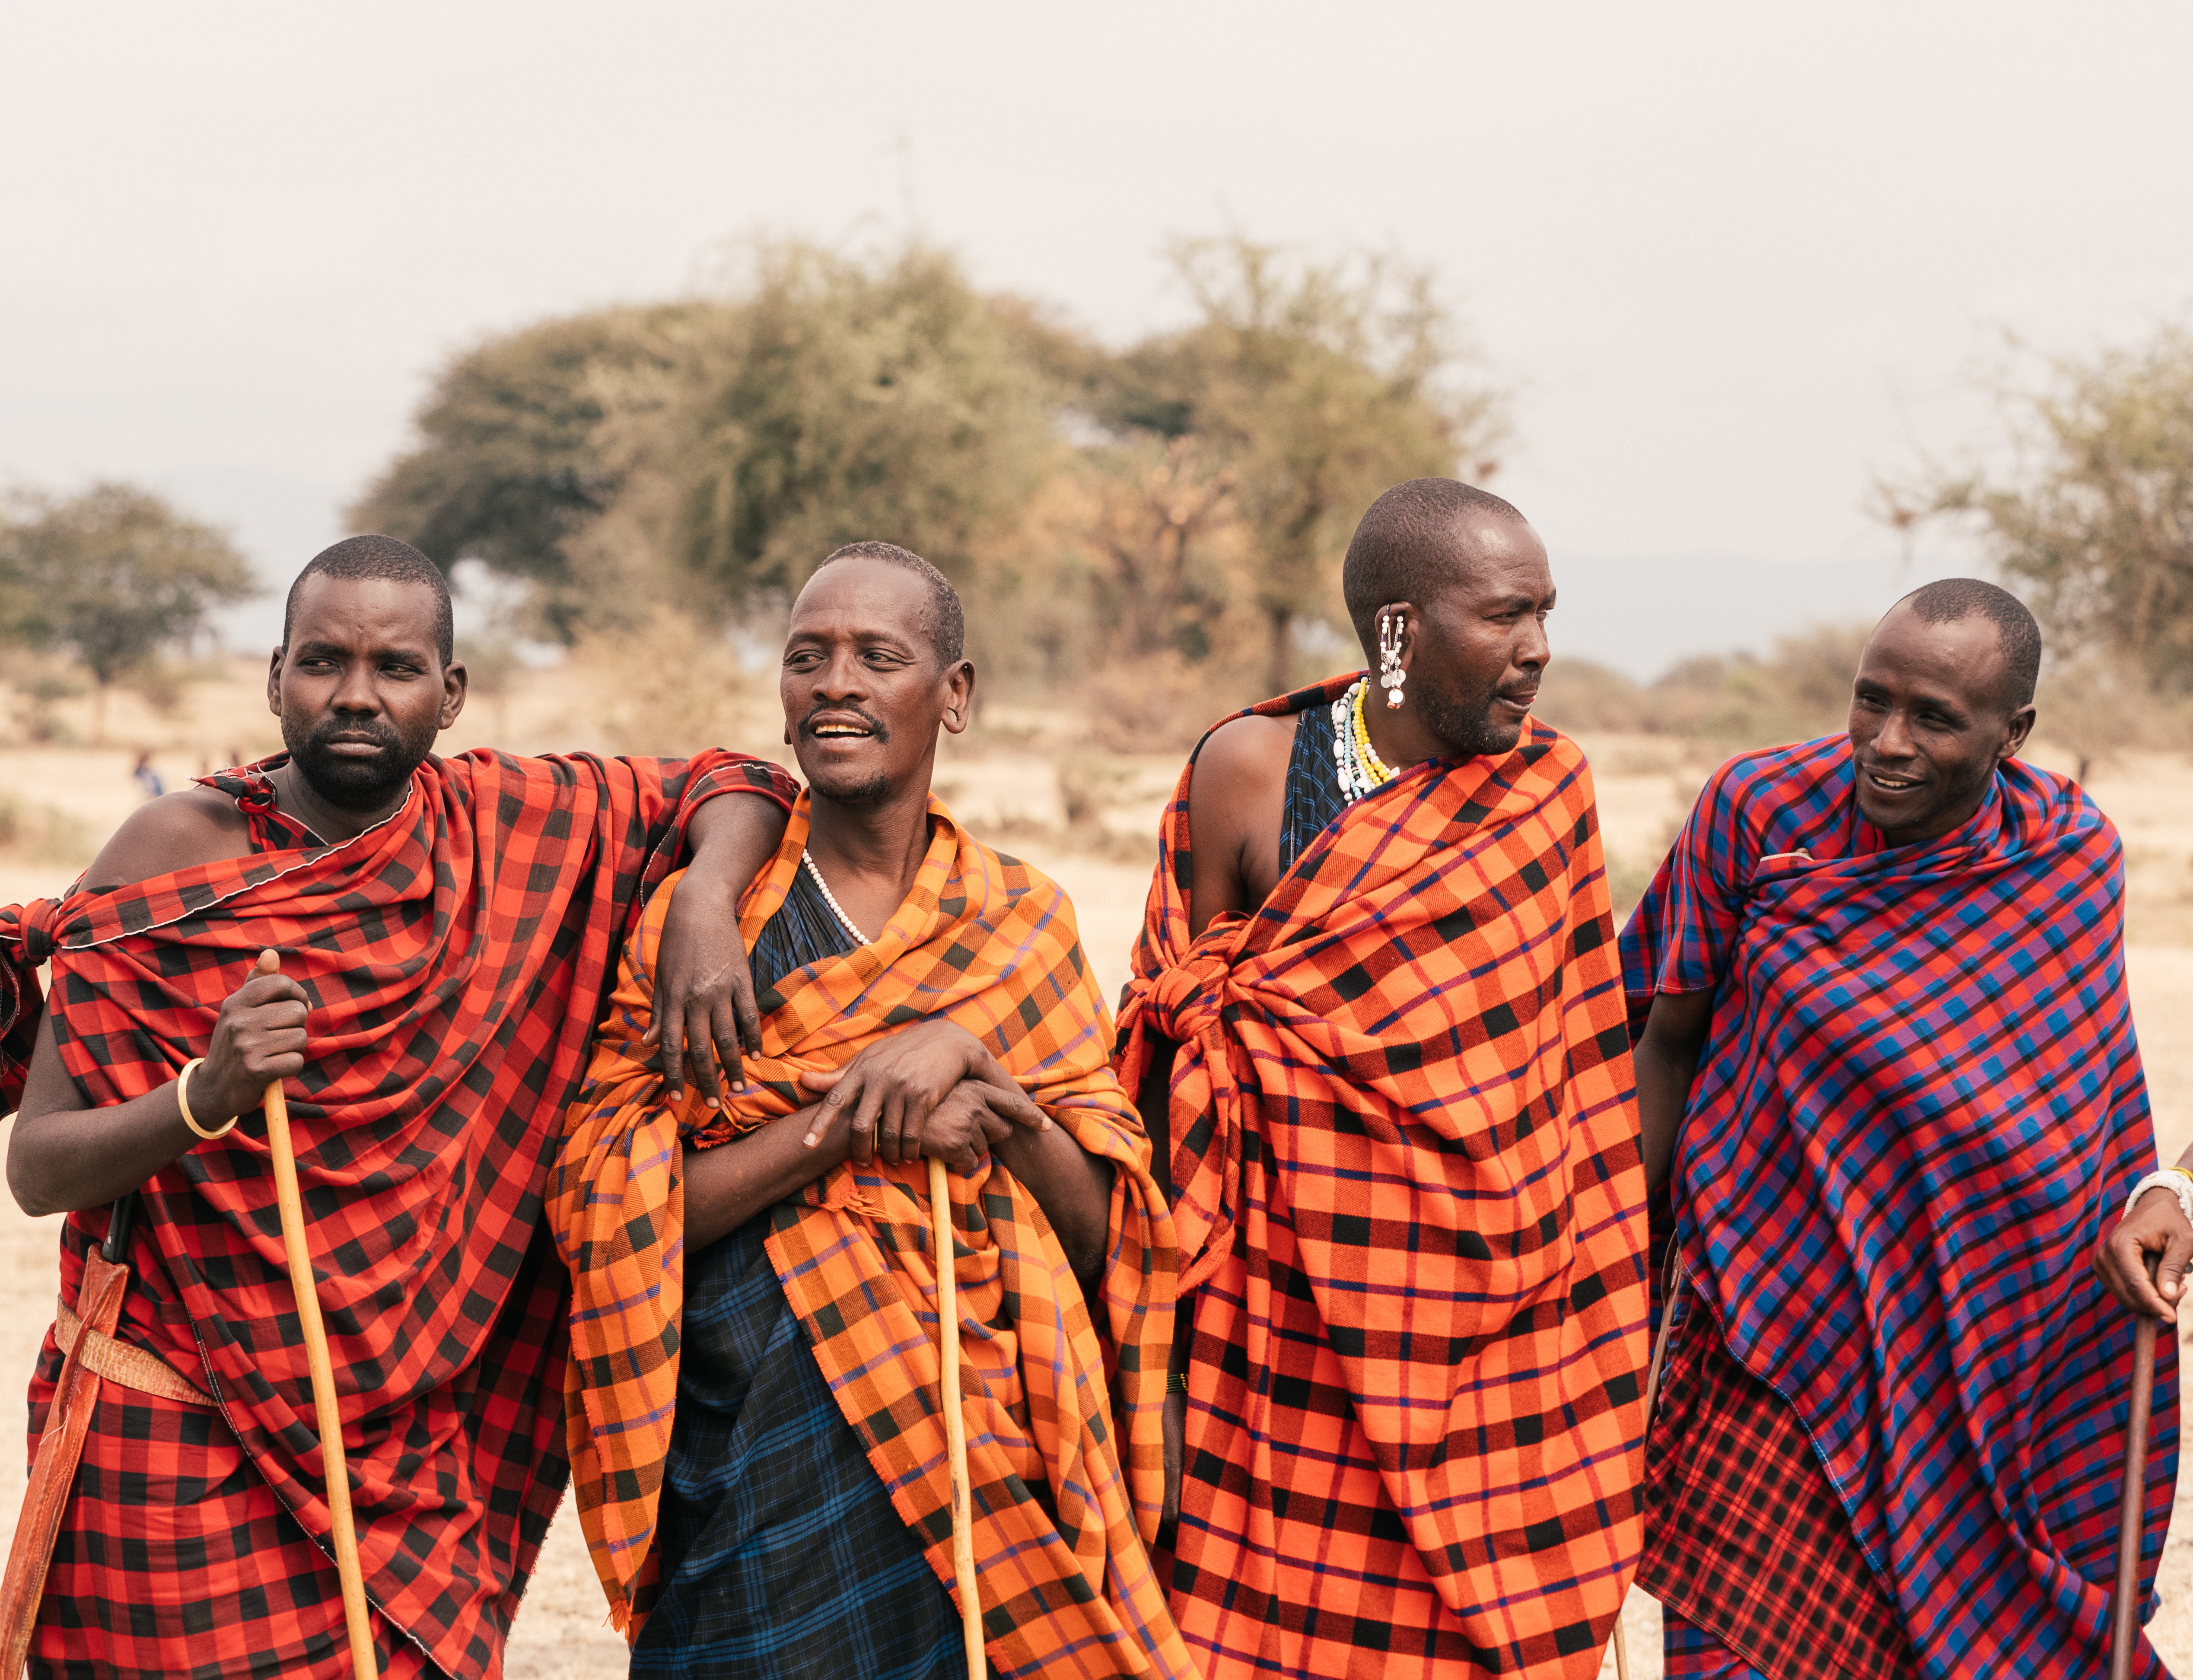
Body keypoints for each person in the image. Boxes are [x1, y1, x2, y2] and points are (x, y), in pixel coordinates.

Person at [0, 536, 798, 1678]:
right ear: (275, 680)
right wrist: (206, 1095)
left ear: (451, 693)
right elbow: (37, 1169)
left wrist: (704, 905)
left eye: (397, 668)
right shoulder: (174, 854)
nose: (358, 697)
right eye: (324, 663)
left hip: (407, 1445)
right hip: (180, 1436)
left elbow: (741, 785)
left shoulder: (508, 825)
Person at [551, 541, 1195, 1679]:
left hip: (981, 1448)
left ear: (954, 696)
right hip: (744, 1441)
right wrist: (845, 1126)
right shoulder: (703, 932)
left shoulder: (1019, 922)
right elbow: (612, 1208)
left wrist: (988, 1088)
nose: (833, 684)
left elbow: (1106, 1231)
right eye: (807, 659)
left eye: (875, 657)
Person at [1114, 479, 1652, 1680]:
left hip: (1492, 1333)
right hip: (1272, 1337)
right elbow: (1178, 1036)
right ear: (1399, 629)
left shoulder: (1546, 794)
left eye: (1546, 614)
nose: (1538, 652)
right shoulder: (1250, 769)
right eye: (1507, 616)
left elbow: (1563, 1088)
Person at [1623, 579, 2177, 1680]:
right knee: (1743, 1636)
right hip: (1775, 1315)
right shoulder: (1760, 811)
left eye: (1934, 718)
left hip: (1997, 1331)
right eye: (1869, 701)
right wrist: (1631, 1265)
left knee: (1986, 1619)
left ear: (2013, 734)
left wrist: (2168, 1194)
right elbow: (1665, 1034)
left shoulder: (2069, 855)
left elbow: (2088, 1082)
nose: (1886, 742)